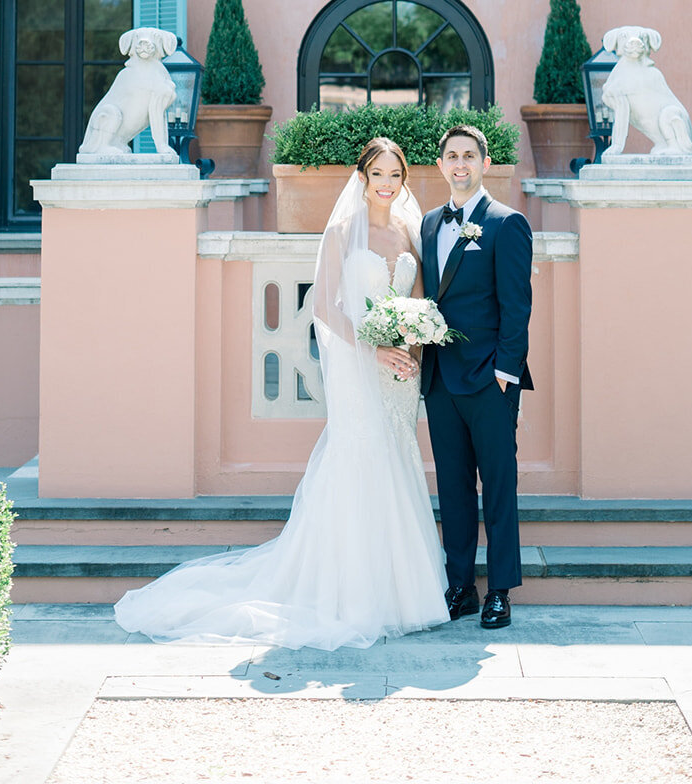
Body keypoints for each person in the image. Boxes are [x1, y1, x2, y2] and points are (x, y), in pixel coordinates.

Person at [113, 137, 448, 649]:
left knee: (398, 460)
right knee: (360, 458)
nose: (386, 184)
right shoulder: (341, 232)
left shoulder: (407, 231)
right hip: (360, 368)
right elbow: (326, 307)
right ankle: (352, 593)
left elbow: (418, 297)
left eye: (395, 175)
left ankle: (403, 592)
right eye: (377, 174)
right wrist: (374, 349)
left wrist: (412, 348)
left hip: (400, 372)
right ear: (362, 178)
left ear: (403, 181)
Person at [421, 123, 534, 631]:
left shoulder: (507, 224)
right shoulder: (428, 225)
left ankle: (500, 590)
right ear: (441, 164)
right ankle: (461, 586)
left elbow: (517, 307)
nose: (460, 164)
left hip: (491, 379)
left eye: (469, 155)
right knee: (453, 488)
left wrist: (505, 373)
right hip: (441, 380)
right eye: (452, 156)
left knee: (499, 485)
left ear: (484, 164)